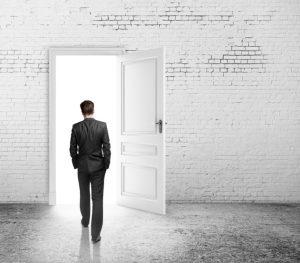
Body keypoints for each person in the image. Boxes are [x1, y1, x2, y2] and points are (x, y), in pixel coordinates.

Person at [69, 100, 111, 244]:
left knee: (84, 194)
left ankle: (85, 221)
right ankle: (95, 236)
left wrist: (76, 163)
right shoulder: (102, 126)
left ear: (82, 111)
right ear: (93, 110)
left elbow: (72, 149)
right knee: (97, 199)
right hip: (98, 166)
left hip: (83, 166)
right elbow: (107, 147)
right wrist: (106, 164)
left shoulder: (76, 127)